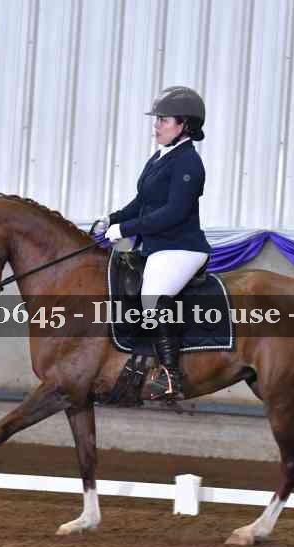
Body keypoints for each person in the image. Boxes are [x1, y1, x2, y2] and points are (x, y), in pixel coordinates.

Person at [95, 86, 211, 401]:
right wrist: (112, 218)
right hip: (156, 246)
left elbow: (174, 212)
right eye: (157, 119)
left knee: (152, 297)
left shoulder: (189, 162)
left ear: (184, 125)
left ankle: (171, 376)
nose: (157, 125)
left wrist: (126, 228)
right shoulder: (160, 156)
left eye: (164, 120)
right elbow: (142, 202)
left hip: (181, 248)